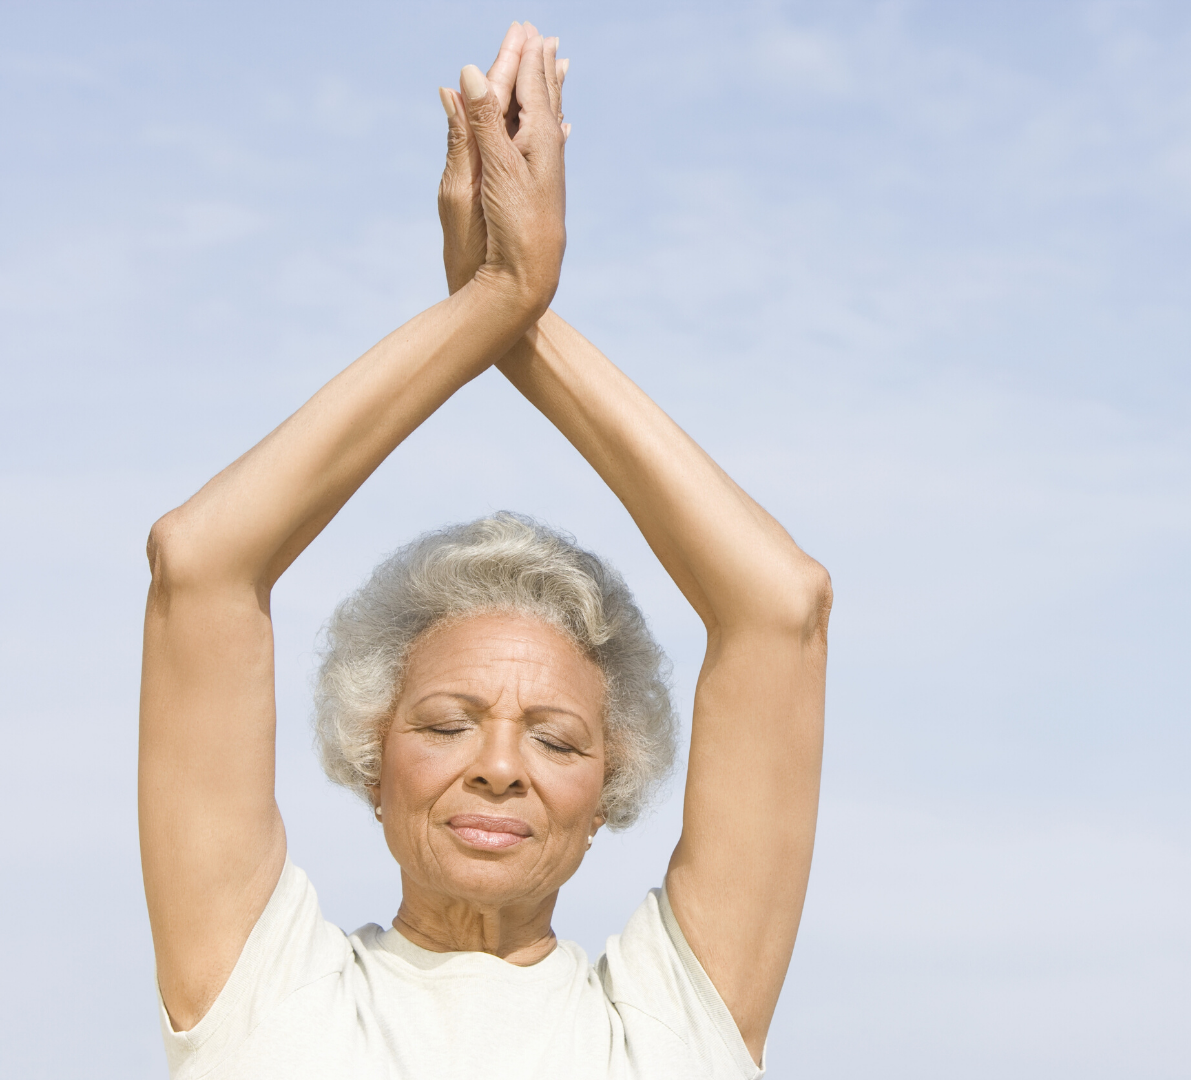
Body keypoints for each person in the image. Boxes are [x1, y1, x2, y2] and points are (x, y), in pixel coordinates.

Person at [138, 23, 830, 1079]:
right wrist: (492, 307)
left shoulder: (672, 1021)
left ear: (612, 786)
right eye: (448, 723)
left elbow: (782, 606)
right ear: (374, 761)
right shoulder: (265, 997)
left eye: (555, 741)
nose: (499, 769)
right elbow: (199, 565)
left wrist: (518, 314)